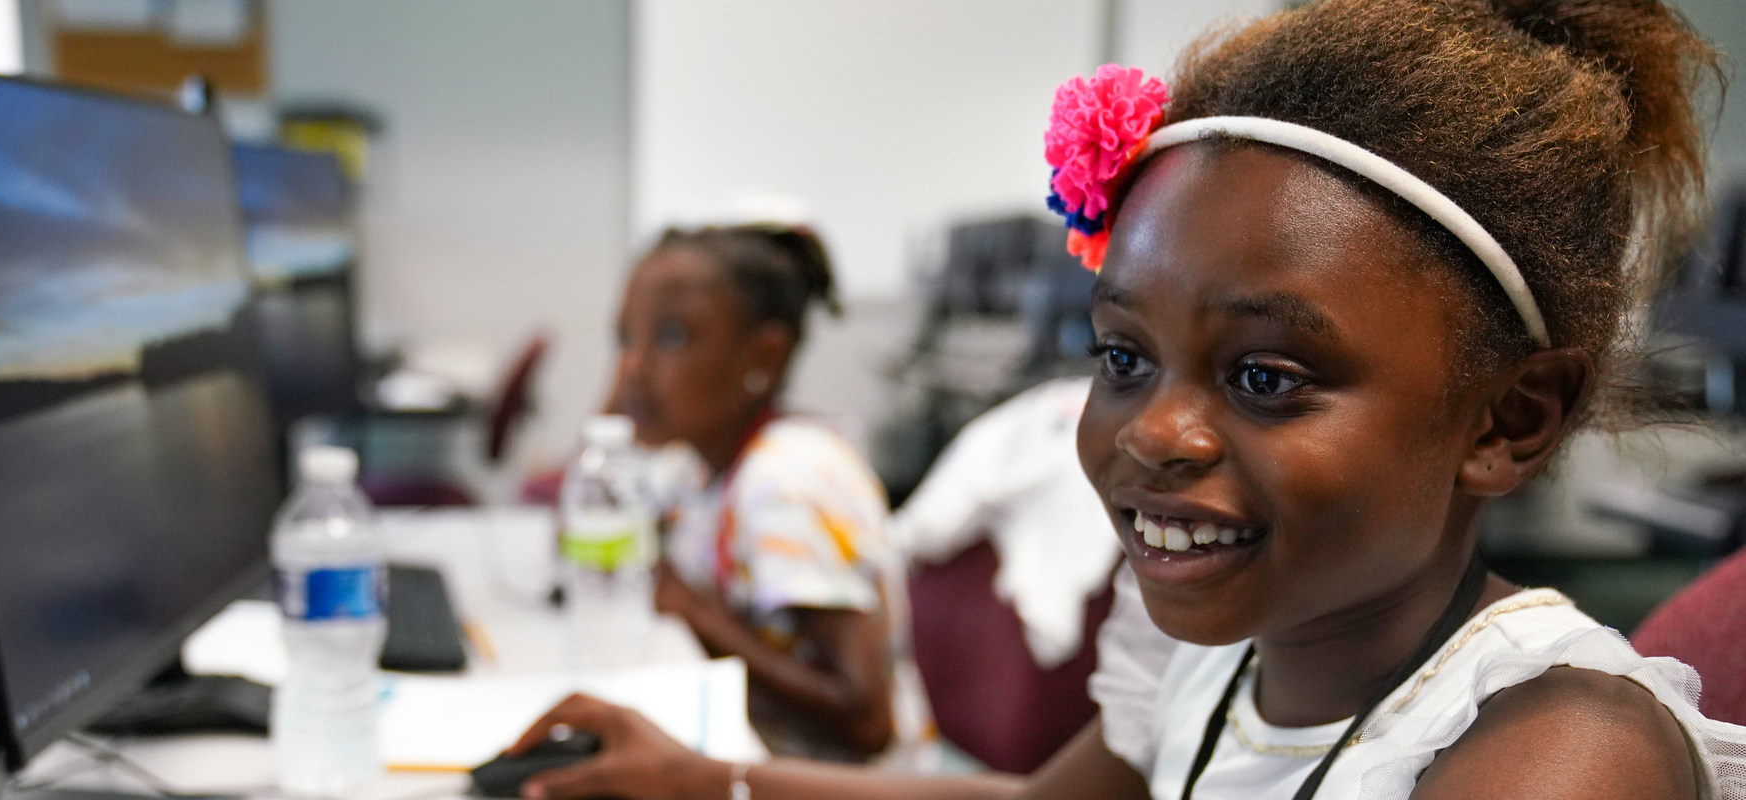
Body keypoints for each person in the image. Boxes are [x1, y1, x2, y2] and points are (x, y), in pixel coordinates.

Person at [504, 0, 1746, 797]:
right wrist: (704, 778)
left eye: (1266, 376)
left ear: (1507, 421)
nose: (1153, 432)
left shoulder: (1556, 759)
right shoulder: (1216, 655)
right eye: (1122, 359)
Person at [607, 222, 898, 761]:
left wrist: (695, 612)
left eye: (670, 337)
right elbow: (586, 525)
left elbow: (869, 721)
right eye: (626, 338)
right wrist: (620, 405)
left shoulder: (784, 483)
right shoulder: (694, 464)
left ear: (763, 358)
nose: (634, 367)